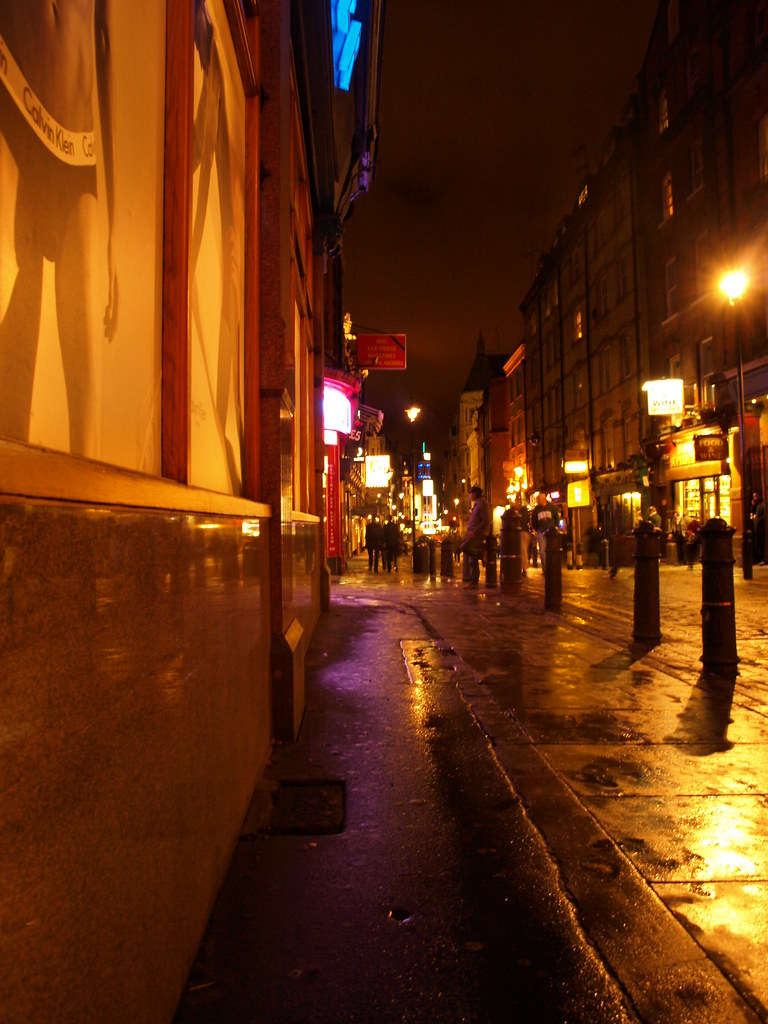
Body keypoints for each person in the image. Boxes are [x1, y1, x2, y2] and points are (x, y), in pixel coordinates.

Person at [0, 0, 117, 458]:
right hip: (13, 108)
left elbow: (106, 57)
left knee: (86, 437)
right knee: (10, 425)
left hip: (78, 153)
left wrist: (114, 236)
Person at [460, 485, 491, 587]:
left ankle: (481, 552)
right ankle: (474, 581)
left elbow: (486, 520)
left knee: (465, 547)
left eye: (471, 493)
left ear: (475, 494)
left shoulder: (483, 504)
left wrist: (475, 531)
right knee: (471, 558)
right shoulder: (476, 505)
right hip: (473, 533)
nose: (469, 495)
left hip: (479, 534)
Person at [530, 492, 557, 573]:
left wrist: (555, 527)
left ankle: (552, 567)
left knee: (552, 549)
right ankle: (545, 568)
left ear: (544, 499)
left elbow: (556, 517)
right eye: (537, 499)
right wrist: (536, 528)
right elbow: (534, 520)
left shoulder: (551, 507)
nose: (538, 500)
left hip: (551, 532)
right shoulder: (536, 509)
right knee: (542, 550)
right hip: (541, 532)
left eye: (539, 499)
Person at [751, 493, 765, 564]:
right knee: (758, 544)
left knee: (761, 543)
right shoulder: (756, 505)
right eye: (754, 496)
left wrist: (758, 520)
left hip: (760, 528)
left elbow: (762, 516)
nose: (755, 498)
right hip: (757, 528)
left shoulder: (761, 505)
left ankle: (762, 558)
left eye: (756, 496)